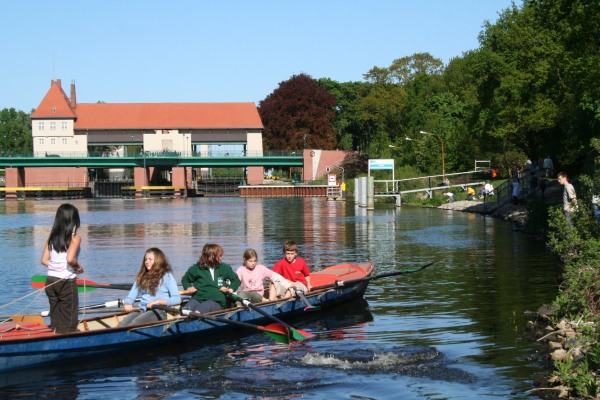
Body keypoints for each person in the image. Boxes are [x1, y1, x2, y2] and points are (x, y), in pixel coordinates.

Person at [41, 203, 84, 333]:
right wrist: (78, 268)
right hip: (66, 282)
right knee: (69, 318)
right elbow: (70, 259)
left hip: (50, 281)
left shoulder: (52, 237)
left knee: (56, 316)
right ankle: (67, 341)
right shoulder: (74, 238)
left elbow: (44, 260)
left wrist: (55, 265)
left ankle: (53, 334)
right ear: (73, 220)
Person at [118, 247, 181, 327]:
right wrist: (127, 303)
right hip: (143, 310)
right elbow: (130, 297)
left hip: (159, 311)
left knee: (134, 324)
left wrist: (157, 302)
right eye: (146, 259)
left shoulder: (167, 277)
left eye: (150, 259)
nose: (147, 262)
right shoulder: (141, 277)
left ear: (158, 261)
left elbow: (176, 299)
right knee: (121, 325)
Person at [181, 244, 240, 313]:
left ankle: (195, 317)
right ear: (212, 256)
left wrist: (231, 289)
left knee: (201, 309)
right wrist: (188, 288)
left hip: (216, 301)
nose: (222, 257)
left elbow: (236, 280)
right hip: (198, 298)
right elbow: (185, 280)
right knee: (185, 310)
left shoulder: (224, 268)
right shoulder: (196, 269)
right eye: (220, 256)